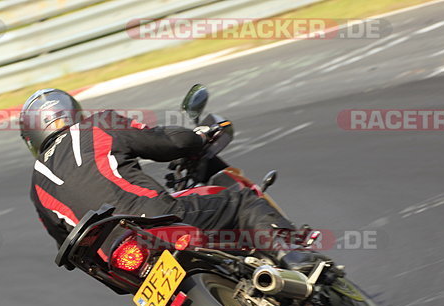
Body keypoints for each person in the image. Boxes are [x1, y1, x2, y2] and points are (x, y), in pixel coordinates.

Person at [21, 88, 305, 261]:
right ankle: (295, 257)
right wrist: (197, 137)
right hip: (157, 217)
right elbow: (170, 143)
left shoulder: (37, 187)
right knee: (241, 202)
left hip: (115, 260)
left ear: (32, 137)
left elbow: (65, 246)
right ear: (73, 112)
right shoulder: (97, 126)